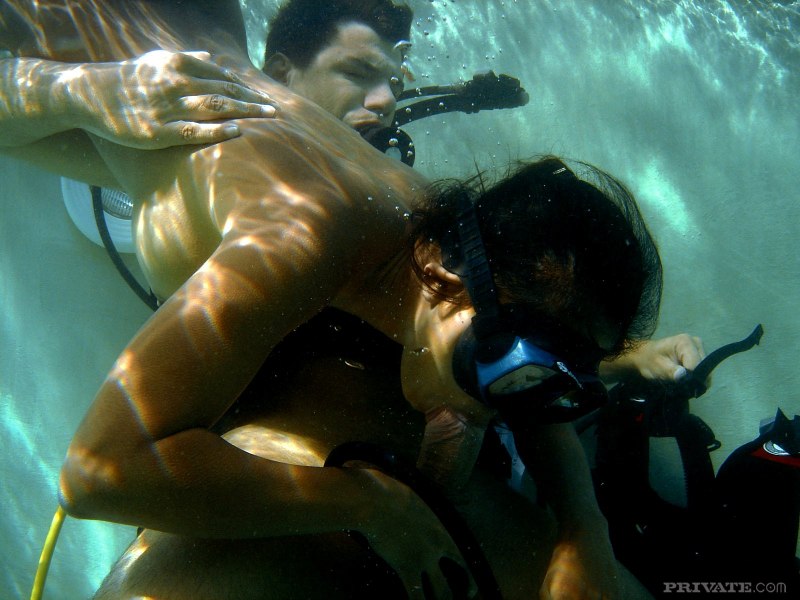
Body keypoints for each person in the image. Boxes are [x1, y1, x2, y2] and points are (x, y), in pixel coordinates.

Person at [0, 1, 705, 598]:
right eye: (485, 370)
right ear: (443, 280)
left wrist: (584, 531)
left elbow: (533, 377)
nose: (481, 412)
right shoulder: (303, 235)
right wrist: (368, 505)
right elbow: (96, 473)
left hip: (189, 49)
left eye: (517, 384)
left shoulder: (443, 233)